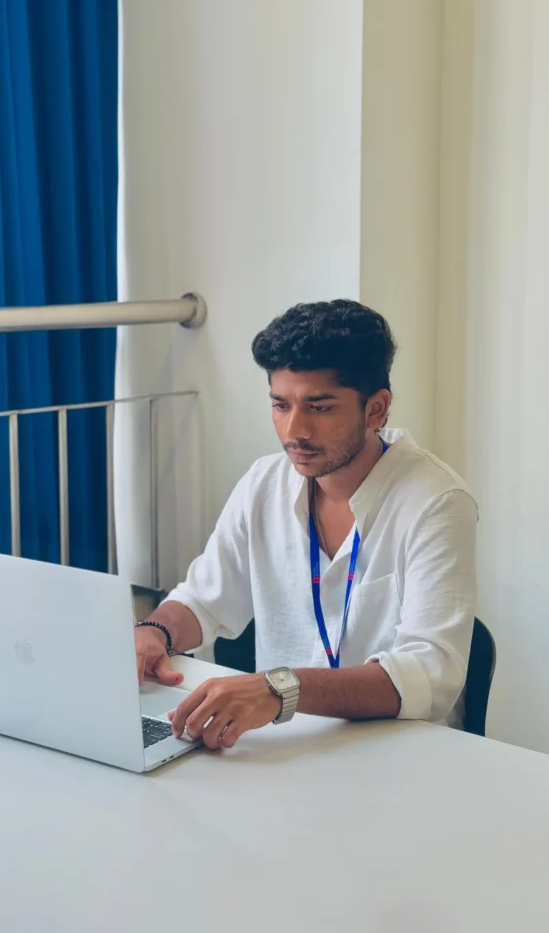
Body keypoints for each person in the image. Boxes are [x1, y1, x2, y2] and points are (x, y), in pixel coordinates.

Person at [134, 300, 477, 749]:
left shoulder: (436, 502)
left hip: (397, 754)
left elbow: (430, 676)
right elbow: (203, 601)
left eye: (319, 407)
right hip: (283, 745)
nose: (295, 430)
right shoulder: (263, 482)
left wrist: (279, 689)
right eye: (280, 405)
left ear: (376, 410)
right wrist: (153, 633)